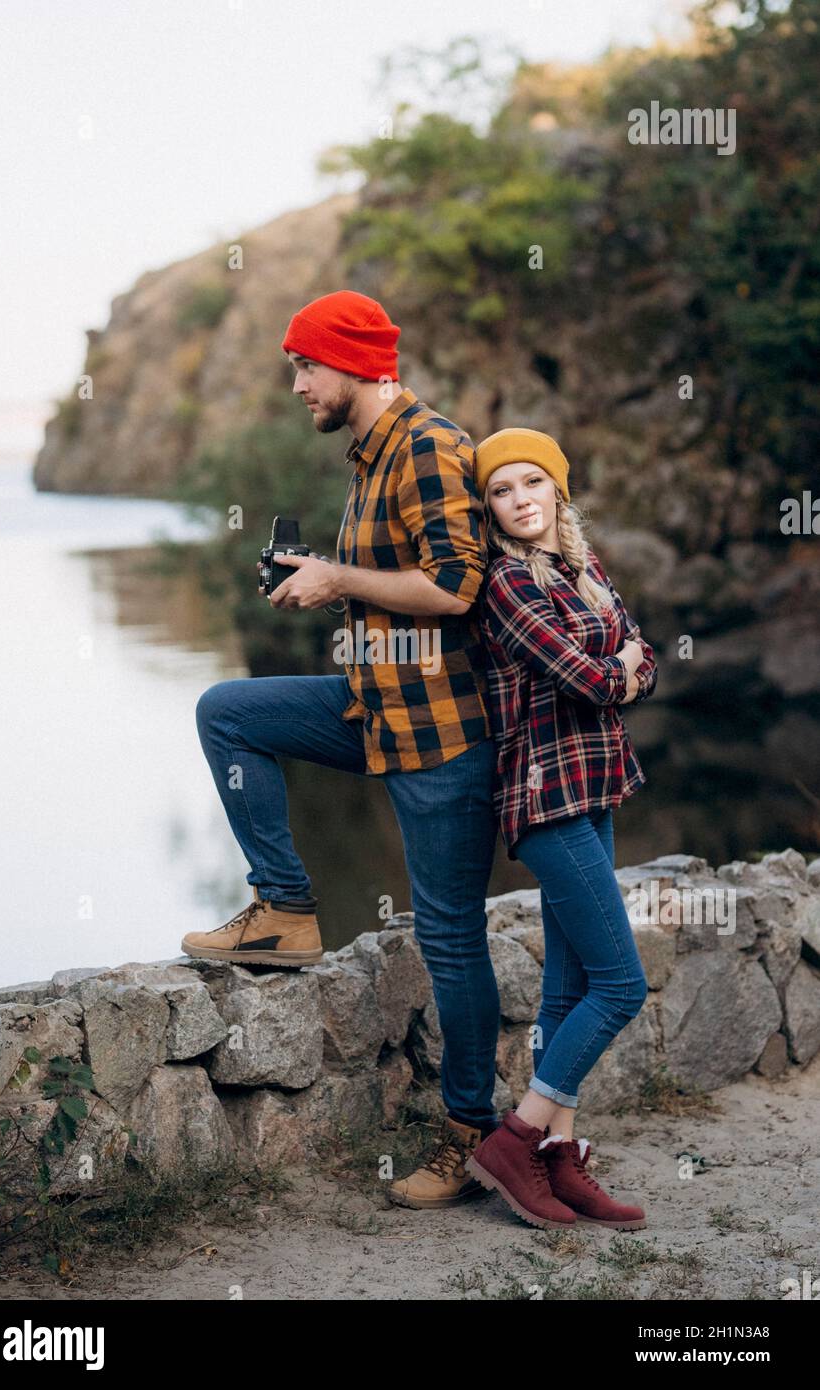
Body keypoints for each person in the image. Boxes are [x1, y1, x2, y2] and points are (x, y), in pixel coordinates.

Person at [185, 290, 503, 1207]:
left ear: (356, 364)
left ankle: (468, 1140)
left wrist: (339, 578)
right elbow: (384, 585)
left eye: (306, 367)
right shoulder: (369, 456)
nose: (296, 386)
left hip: (442, 732)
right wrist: (314, 582)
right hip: (373, 705)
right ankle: (283, 907)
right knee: (228, 711)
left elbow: (454, 588)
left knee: (450, 939)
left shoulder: (429, 445)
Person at [464, 427, 657, 1231]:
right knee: (621, 985)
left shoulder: (581, 567)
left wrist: (624, 665)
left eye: (530, 484)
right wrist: (623, 665)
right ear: (491, 507)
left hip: (595, 784)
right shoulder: (505, 583)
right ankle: (517, 1138)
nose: (518, 502)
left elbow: (643, 660)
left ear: (555, 490)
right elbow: (591, 673)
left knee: (566, 988)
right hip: (542, 795)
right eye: (501, 491)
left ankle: (558, 1161)